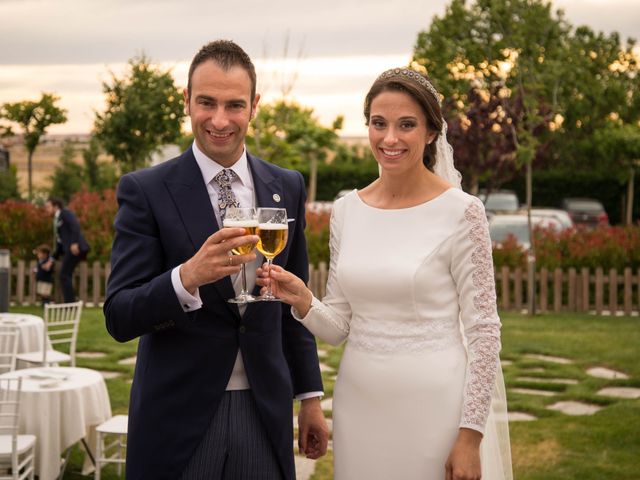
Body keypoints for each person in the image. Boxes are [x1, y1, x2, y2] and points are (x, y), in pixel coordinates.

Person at [258, 67, 513, 480]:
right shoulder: (346, 210)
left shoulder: (463, 212)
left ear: (431, 132)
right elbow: (339, 326)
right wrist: (302, 299)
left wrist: (470, 437)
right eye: (379, 124)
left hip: (434, 406)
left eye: (406, 125)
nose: (389, 138)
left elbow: (484, 332)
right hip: (359, 404)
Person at [104, 40, 328, 480]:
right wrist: (186, 278)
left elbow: (293, 301)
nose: (220, 120)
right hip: (178, 415)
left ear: (254, 106)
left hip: (264, 413)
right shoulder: (145, 191)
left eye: (234, 105)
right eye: (206, 102)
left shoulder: (288, 185)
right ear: (186, 100)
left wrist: (311, 399)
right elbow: (118, 315)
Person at [45, 197, 90, 302]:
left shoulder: (65, 213)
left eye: (48, 207)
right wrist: (51, 260)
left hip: (76, 249)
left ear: (55, 206)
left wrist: (74, 242)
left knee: (64, 275)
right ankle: (71, 303)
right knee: (65, 275)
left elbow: (75, 226)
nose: (46, 209)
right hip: (70, 249)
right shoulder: (56, 220)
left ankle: (70, 303)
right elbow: (59, 243)